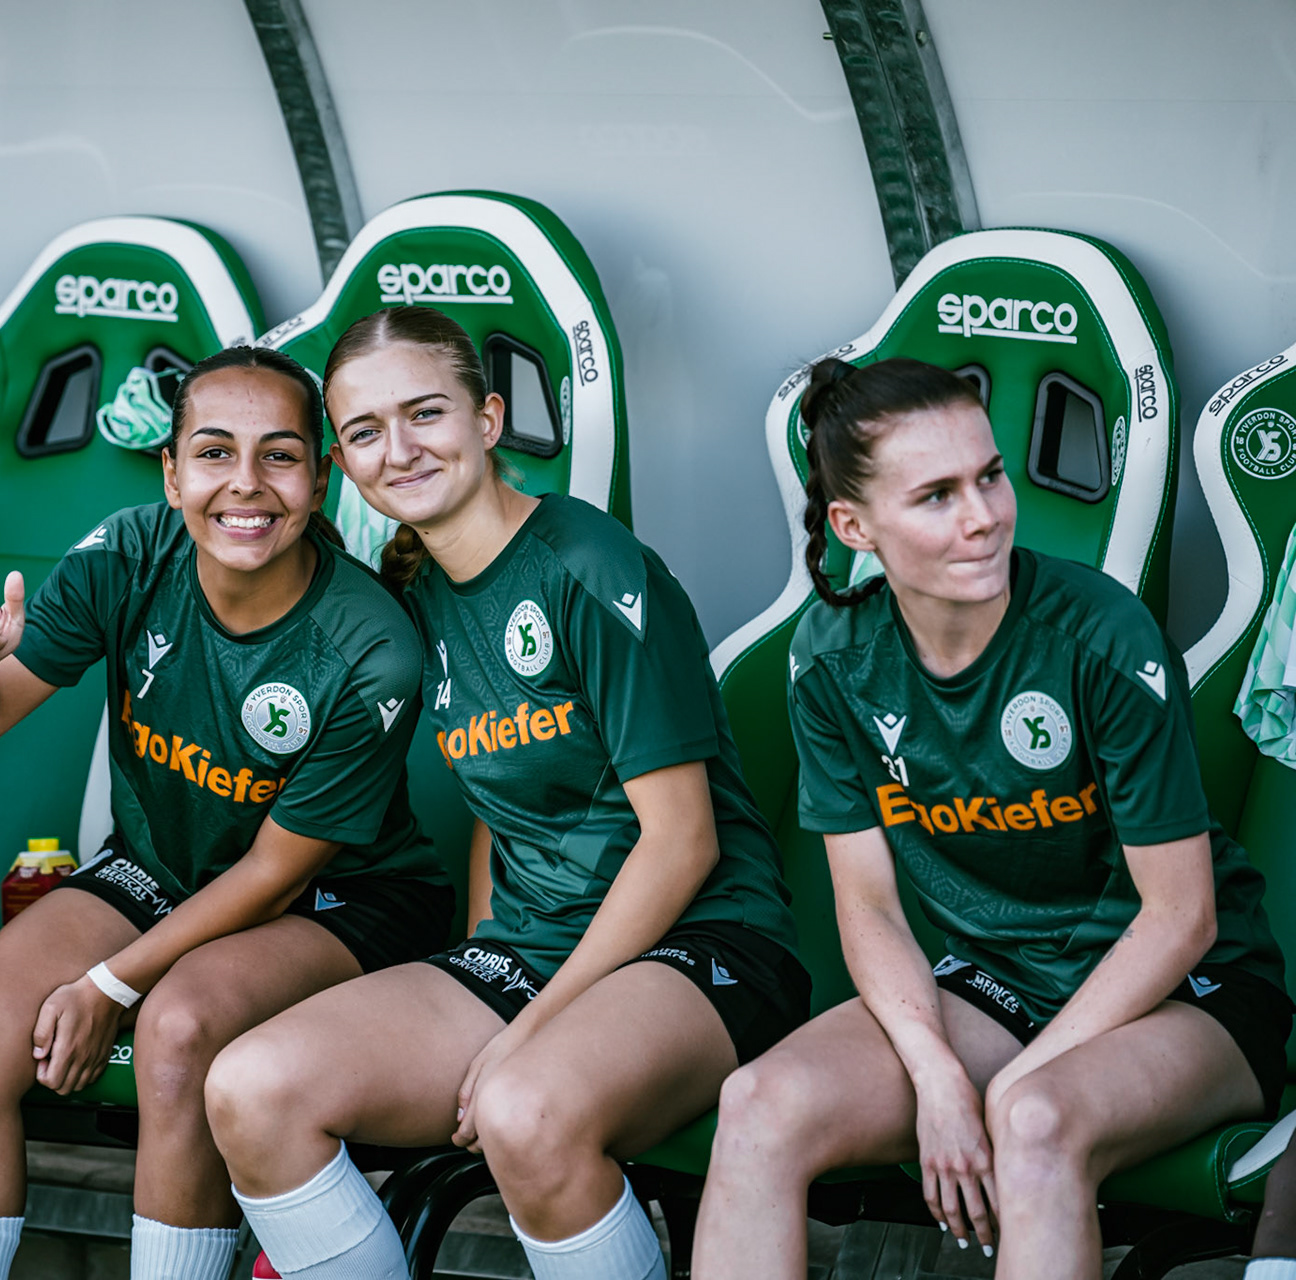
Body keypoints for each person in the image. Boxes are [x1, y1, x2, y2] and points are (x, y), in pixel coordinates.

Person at [204, 305, 807, 1280]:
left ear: (487, 418)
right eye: (364, 431)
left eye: (425, 412)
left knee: (527, 1106)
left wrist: (530, 1027)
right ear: (342, 466)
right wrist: (490, 958)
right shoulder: (416, 592)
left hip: (701, 947)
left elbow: (681, 843)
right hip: (531, 949)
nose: (398, 448)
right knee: (249, 1085)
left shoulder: (590, 565)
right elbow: (503, 807)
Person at [692, 357, 1291, 1280]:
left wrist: (1014, 1080)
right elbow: (871, 906)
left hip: (1189, 996)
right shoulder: (832, 658)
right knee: (759, 1104)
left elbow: (1182, 918)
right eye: (935, 495)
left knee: (1033, 1121)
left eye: (990, 476)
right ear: (855, 526)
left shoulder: (1099, 634)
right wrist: (935, 1074)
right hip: (999, 981)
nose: (982, 517)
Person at [0, 344, 454, 1280]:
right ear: (170, 473)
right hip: (160, 868)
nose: (245, 484)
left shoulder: (371, 645)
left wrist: (110, 984)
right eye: (213, 452)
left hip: (340, 900)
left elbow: (276, 872)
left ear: (323, 481)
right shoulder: (129, 552)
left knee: (177, 1026)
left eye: (280, 455)